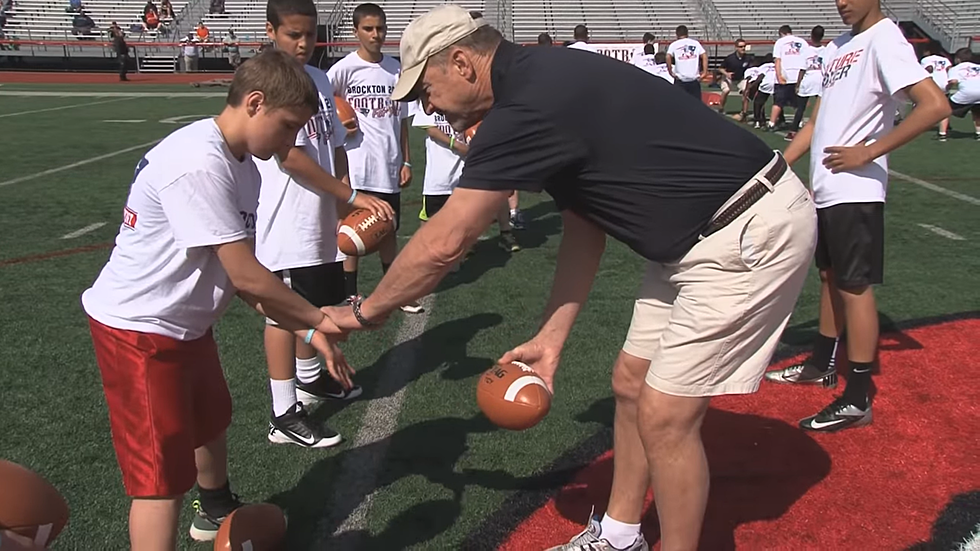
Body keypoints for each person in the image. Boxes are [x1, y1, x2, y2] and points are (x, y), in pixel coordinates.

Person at [322, 6, 817, 550]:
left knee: (665, 417)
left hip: (744, 230)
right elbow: (585, 224)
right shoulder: (538, 79)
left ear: (461, 63)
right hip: (698, 237)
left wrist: (364, 312)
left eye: (425, 89)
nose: (425, 105)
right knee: (632, 383)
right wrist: (552, 339)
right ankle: (621, 535)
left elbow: (446, 241)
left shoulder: (525, 105)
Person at [80, 50, 353, 548]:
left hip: (185, 320)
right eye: (288, 125)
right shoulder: (199, 163)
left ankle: (216, 505)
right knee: (160, 480)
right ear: (254, 103)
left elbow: (240, 278)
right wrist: (318, 318)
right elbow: (247, 277)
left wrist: (308, 330)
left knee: (210, 418)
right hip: (140, 328)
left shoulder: (241, 162)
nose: (292, 141)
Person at [775, 0, 950, 432]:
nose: (842, 3)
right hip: (827, 187)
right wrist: (781, 165)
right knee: (830, 277)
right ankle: (820, 363)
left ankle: (856, 398)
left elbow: (935, 105)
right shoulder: (838, 45)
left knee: (854, 286)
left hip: (856, 188)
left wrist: (869, 151)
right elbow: (818, 119)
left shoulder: (885, 37)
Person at [256, 0, 394, 449]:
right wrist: (351, 196)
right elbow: (289, 156)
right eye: (293, 34)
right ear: (271, 30)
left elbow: (333, 145)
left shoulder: (317, 78)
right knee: (283, 313)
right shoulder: (268, 82)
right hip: (285, 217)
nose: (302, 43)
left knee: (317, 301)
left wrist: (345, 193)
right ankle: (282, 412)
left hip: (319, 216)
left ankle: (312, 380)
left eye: (309, 35)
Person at [327, 3, 422, 313]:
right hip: (357, 165)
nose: (375, 34)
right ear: (356, 31)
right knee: (351, 231)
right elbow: (325, 104)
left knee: (388, 230)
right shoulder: (344, 68)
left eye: (380, 28)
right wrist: (340, 119)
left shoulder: (396, 69)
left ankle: (391, 292)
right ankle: (349, 293)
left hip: (389, 163)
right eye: (368, 28)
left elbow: (403, 119)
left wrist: (406, 161)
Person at [787, 25, 826, 140]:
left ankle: (793, 130)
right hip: (821, 81)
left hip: (808, 81)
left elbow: (802, 69)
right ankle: (823, 130)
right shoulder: (826, 50)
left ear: (812, 35)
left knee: (801, 108)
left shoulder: (806, 50)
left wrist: (797, 84)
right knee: (822, 107)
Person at [770, 25, 808, 131]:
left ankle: (771, 123)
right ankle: (799, 121)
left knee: (778, 102)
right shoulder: (803, 42)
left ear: (781, 33)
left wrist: (779, 76)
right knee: (798, 103)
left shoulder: (780, 42)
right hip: (799, 76)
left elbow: (777, 60)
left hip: (786, 75)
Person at [942, 47, 980, 141]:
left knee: (945, 109)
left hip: (967, 92)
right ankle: (978, 133)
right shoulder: (978, 66)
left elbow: (953, 81)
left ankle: (942, 133)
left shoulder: (955, 69)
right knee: (977, 113)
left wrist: (947, 88)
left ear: (958, 59)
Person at [666, 25, 707, 99]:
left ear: (677, 34)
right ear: (687, 33)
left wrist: (670, 71)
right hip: (694, 79)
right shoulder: (695, 43)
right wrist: (704, 72)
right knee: (696, 104)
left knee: (679, 104)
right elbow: (704, 55)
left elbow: (668, 57)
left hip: (680, 79)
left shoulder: (674, 44)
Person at [719, 38, 750, 114]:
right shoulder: (730, 58)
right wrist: (727, 74)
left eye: (744, 46)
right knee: (726, 90)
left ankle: (744, 112)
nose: (743, 48)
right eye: (740, 46)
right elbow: (720, 68)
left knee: (746, 92)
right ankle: (721, 108)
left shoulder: (748, 58)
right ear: (736, 47)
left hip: (740, 79)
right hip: (729, 78)